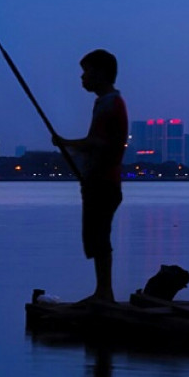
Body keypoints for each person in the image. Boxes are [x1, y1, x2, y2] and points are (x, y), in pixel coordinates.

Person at [52, 49, 128, 303]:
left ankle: (104, 292)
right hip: (99, 181)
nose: (82, 78)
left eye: (87, 72)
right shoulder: (104, 102)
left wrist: (66, 143)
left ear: (102, 73)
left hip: (104, 182)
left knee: (100, 237)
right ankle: (103, 291)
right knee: (97, 237)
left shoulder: (110, 103)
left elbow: (98, 142)